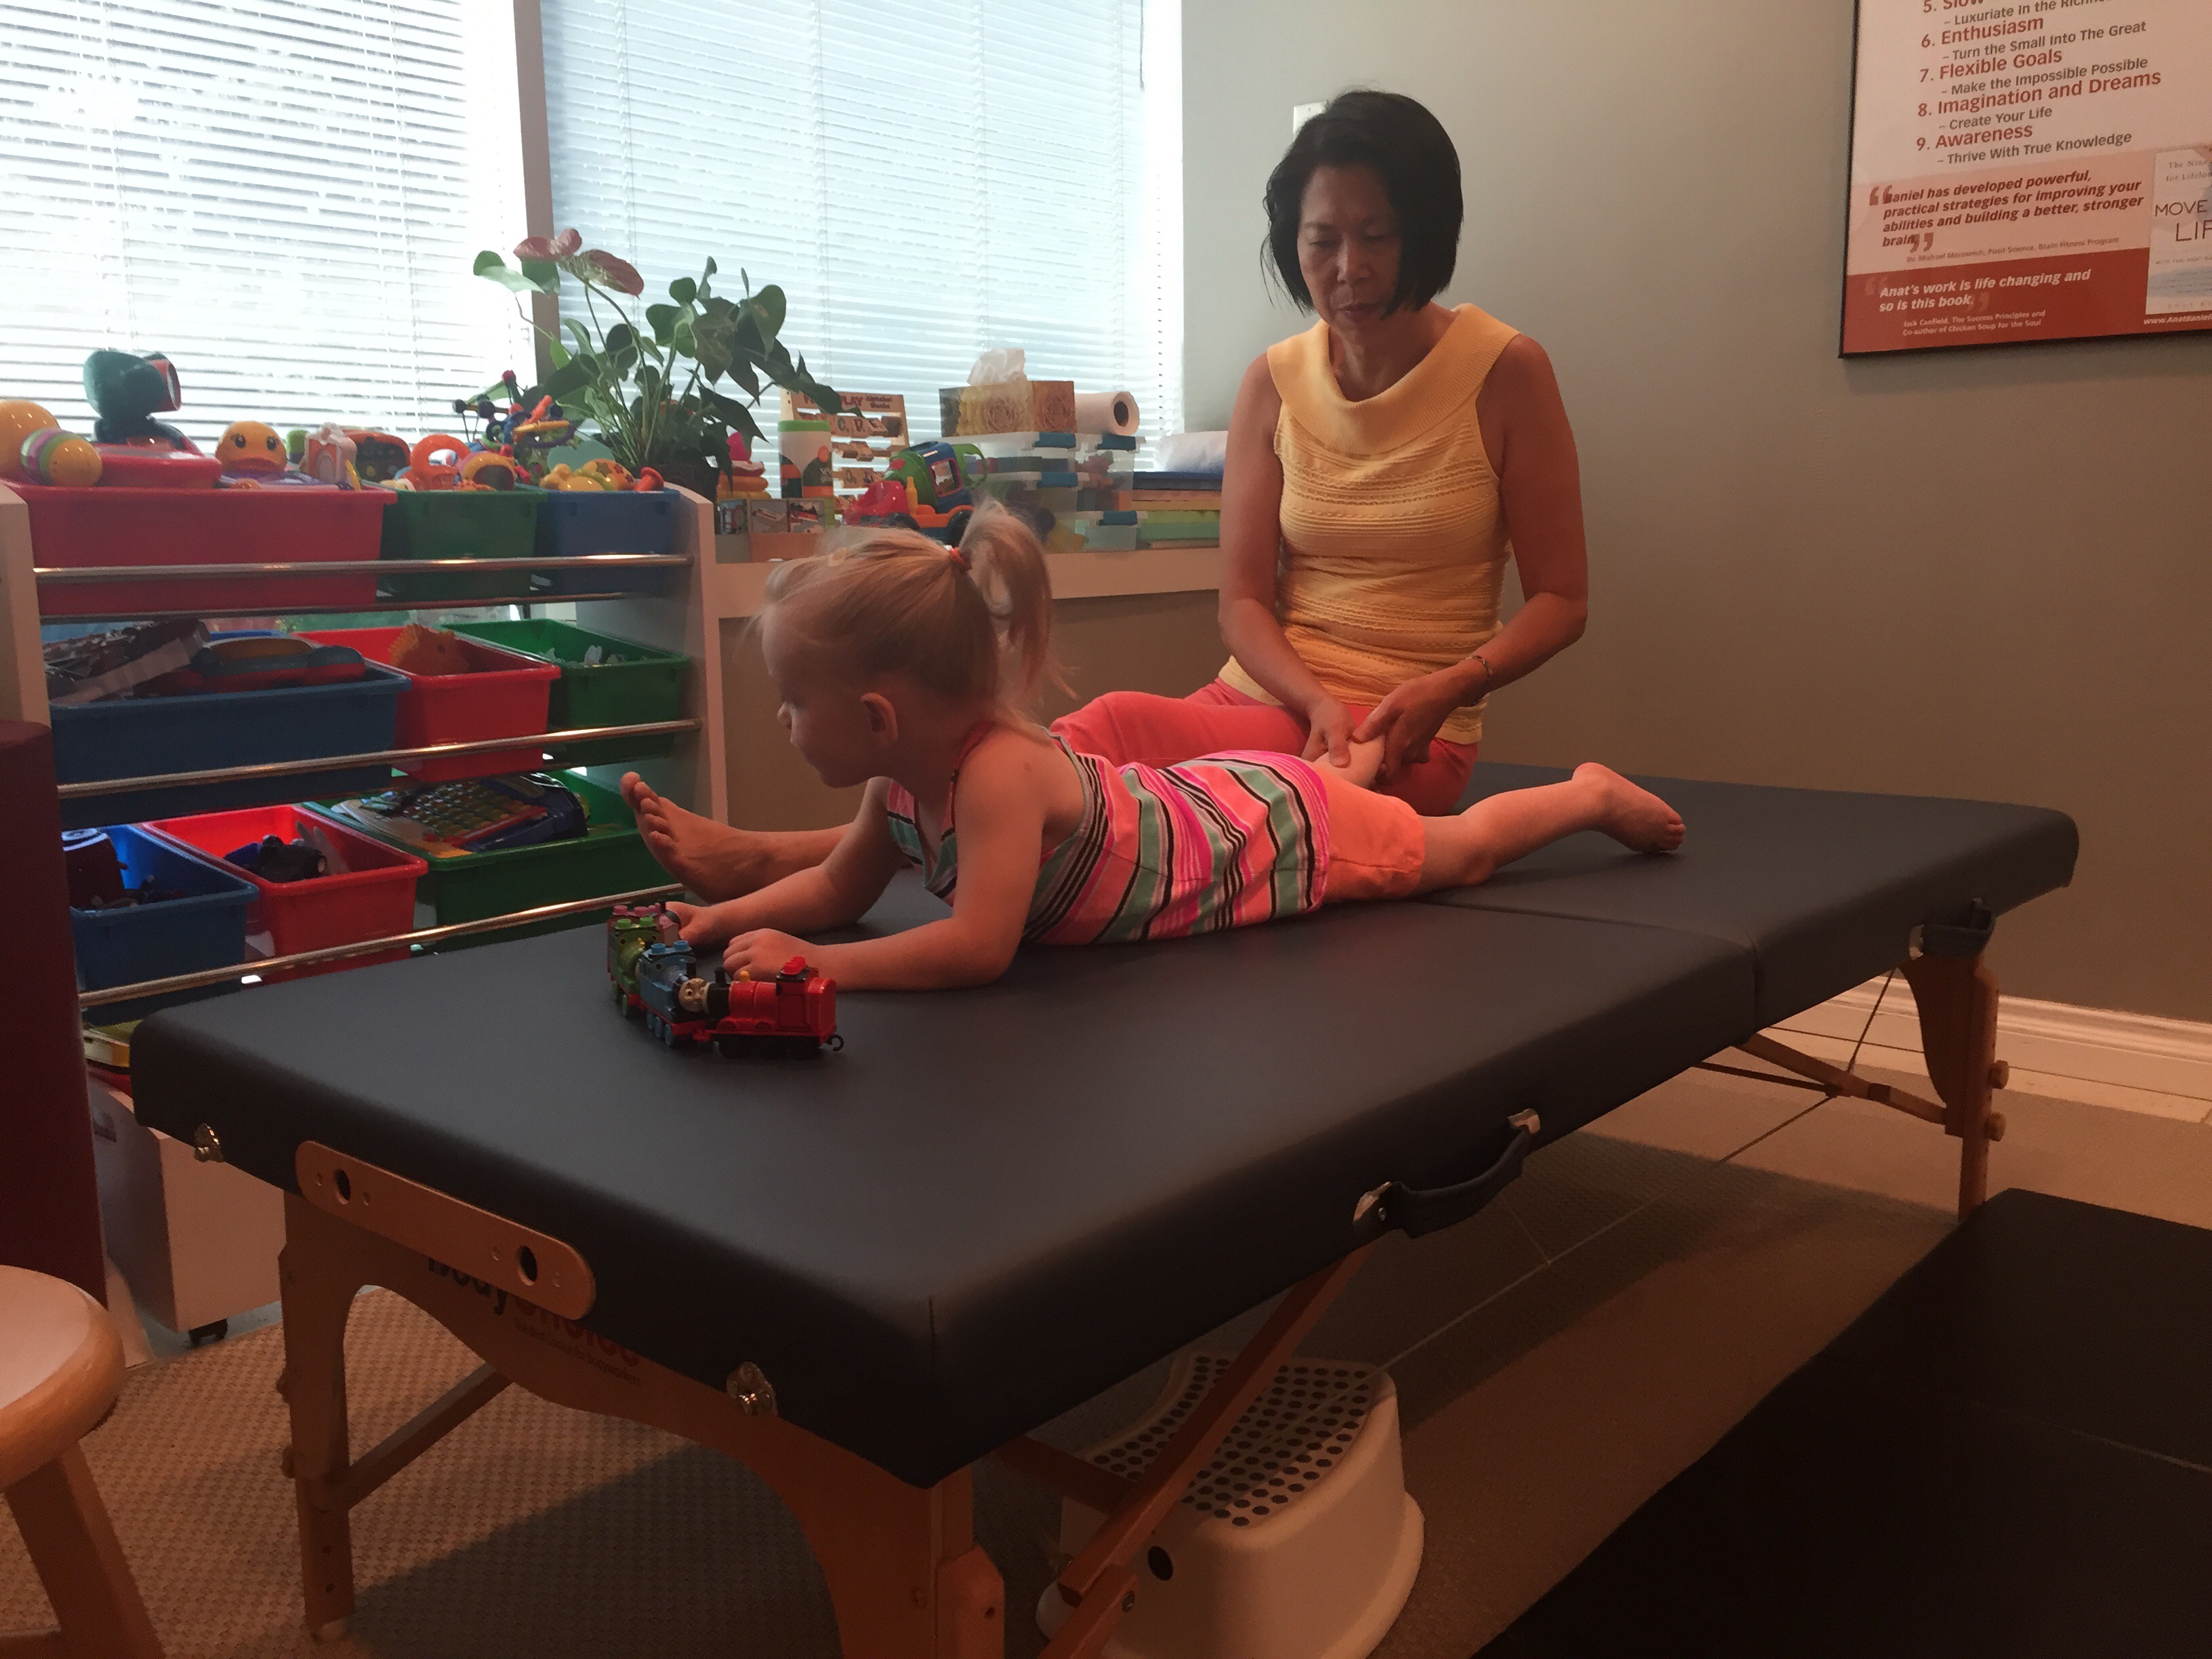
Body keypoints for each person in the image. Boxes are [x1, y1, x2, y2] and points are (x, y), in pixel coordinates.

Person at [628, 87, 1591, 893]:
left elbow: (1562, 600)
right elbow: (1244, 604)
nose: (1349, 270)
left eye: (1377, 237)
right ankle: (826, 860)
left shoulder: (1505, 371)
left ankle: (795, 860)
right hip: (1275, 700)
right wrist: (1309, 697)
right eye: (1321, 240)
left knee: (1137, 766)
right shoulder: (1274, 382)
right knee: (1103, 749)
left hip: (1405, 735)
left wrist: (1449, 687)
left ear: (1427, 233)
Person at [671, 507, 1679, 990]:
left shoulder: (994, 778)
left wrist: (820, 968)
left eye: (793, 703)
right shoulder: (897, 787)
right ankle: (1357, 759)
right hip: (1212, 799)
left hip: (1277, 839)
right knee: (1319, 779)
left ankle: (1585, 795)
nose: (784, 722)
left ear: (880, 717)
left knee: (1459, 852)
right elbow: (838, 890)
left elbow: (978, 948)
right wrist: (727, 919)